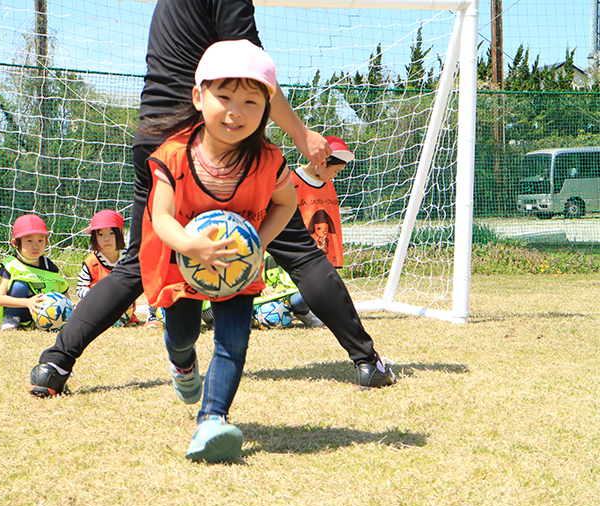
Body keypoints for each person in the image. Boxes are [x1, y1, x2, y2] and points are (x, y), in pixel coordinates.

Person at [29, 0, 395, 397]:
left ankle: (55, 362)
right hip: (212, 141)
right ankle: (367, 361)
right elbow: (252, 77)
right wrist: (301, 135)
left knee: (136, 263)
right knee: (301, 253)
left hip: (155, 138)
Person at [142, 40, 296, 462]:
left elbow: (287, 202)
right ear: (198, 96)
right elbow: (161, 216)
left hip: (236, 270)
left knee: (233, 340)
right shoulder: (173, 156)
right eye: (224, 96)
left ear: (266, 108)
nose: (236, 110)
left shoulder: (269, 160)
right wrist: (191, 246)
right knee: (183, 335)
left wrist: (259, 243)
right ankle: (183, 365)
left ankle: (212, 420)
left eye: (251, 100)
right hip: (181, 264)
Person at [0, 215, 69, 332]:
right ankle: (11, 318)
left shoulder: (48, 265)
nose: (36, 246)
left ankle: (47, 321)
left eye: (40, 240)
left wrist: (68, 307)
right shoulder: (10, 265)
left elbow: (62, 290)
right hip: (21, 312)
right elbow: (0, 299)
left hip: (41, 314)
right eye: (29, 240)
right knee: (20, 284)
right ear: (15, 243)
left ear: (46, 241)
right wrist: (28, 302)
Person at [293, 136, 353, 269]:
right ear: (322, 163)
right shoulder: (292, 182)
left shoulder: (329, 186)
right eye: (336, 171)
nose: (335, 175)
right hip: (300, 258)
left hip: (323, 258)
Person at [76, 209, 138, 326]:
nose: (106, 238)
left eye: (111, 233)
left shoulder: (129, 259)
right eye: (100, 234)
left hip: (123, 309)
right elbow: (80, 289)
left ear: (122, 234)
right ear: (93, 237)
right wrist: (96, 295)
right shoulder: (91, 262)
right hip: (96, 308)